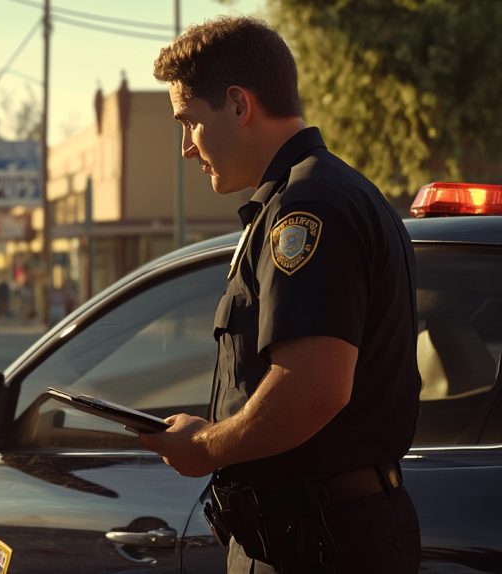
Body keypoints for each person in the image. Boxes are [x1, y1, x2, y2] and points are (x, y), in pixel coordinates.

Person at [138, 17, 421, 573]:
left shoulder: (306, 206)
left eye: (189, 122)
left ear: (239, 106)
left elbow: (314, 386)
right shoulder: (313, 193)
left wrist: (206, 448)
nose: (185, 149)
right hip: (311, 531)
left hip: (317, 542)